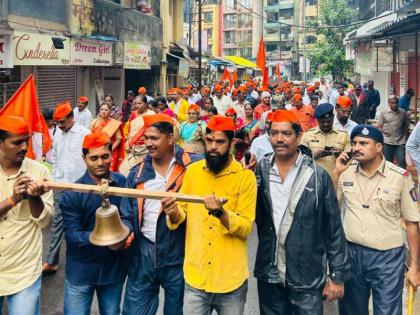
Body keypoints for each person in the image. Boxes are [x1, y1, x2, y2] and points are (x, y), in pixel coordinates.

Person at [254, 110, 350, 315]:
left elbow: (333, 228)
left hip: (307, 275)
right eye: (274, 133)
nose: (279, 139)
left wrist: (336, 275)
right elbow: (257, 219)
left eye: (286, 133)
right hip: (269, 274)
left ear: (299, 137)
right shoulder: (260, 171)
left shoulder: (318, 176)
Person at [162, 115, 257, 314]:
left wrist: (220, 213)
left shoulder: (245, 178)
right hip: (196, 276)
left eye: (220, 142)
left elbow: (246, 226)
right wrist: (172, 213)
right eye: (210, 140)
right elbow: (182, 214)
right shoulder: (193, 172)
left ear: (232, 143)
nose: (213, 147)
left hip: (230, 280)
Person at [332, 125, 420, 315]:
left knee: (387, 310)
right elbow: (330, 208)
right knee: (351, 311)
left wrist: (414, 267)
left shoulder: (400, 177)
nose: (356, 147)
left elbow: (412, 224)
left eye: (364, 143)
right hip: (352, 255)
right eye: (354, 143)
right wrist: (337, 173)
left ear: (379, 147)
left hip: (387, 259)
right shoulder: (346, 171)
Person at [120, 113, 201, 314]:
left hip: (179, 253)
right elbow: (127, 213)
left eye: (154, 138)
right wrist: (126, 232)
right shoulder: (136, 173)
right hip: (143, 253)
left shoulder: (193, 167)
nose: (148, 143)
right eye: (146, 138)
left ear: (170, 138)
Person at [61, 132, 127, 315]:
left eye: (105, 156)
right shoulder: (73, 193)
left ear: (111, 154)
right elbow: (71, 235)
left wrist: (126, 235)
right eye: (94, 158)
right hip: (81, 271)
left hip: (113, 270)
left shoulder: (122, 183)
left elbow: (129, 216)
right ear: (84, 158)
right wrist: (100, 237)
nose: (100, 163)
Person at [0, 116, 54, 315]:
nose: (24, 147)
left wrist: (34, 198)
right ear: (1, 144)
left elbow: (46, 222)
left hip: (23, 271)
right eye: (17, 142)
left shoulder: (39, 171)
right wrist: (13, 200)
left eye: (27, 140)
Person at [43, 102, 91, 274]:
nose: (59, 125)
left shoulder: (85, 134)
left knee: (82, 223)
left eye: (62, 122)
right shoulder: (58, 134)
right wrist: (55, 180)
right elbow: (55, 158)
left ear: (71, 117)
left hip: (81, 187)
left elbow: (91, 159)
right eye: (57, 123)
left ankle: (83, 261)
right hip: (60, 185)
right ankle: (51, 261)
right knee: (58, 223)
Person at [300, 103, 350, 177]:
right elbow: (299, 160)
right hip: (314, 179)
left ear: (333, 117)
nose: (326, 124)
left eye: (329, 121)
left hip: (337, 179)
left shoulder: (343, 135)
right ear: (317, 120)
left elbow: (351, 161)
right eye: (322, 122)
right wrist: (313, 155)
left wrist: (340, 155)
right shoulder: (307, 135)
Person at [119, 95, 156, 176]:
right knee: (123, 170)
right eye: (135, 103)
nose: (137, 105)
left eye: (140, 103)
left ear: (146, 104)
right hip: (132, 149)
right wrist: (128, 142)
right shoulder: (133, 114)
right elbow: (130, 131)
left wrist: (131, 142)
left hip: (145, 148)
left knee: (142, 172)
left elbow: (144, 131)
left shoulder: (151, 114)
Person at [90, 102, 125, 172]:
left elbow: (119, 139)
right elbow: (90, 135)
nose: (103, 111)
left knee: (108, 173)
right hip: (96, 150)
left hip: (109, 152)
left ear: (110, 112)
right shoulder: (94, 122)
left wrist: (110, 150)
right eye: (102, 109)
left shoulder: (114, 123)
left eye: (106, 110)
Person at [377, 95, 409, 169]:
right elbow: (379, 127)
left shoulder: (403, 113)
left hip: (400, 141)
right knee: (388, 163)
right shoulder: (383, 113)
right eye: (392, 103)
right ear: (389, 103)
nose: (395, 104)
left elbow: (406, 127)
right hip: (387, 141)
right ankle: (388, 179)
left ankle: (402, 179)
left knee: (401, 162)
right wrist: (381, 140)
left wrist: (407, 140)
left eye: (396, 103)